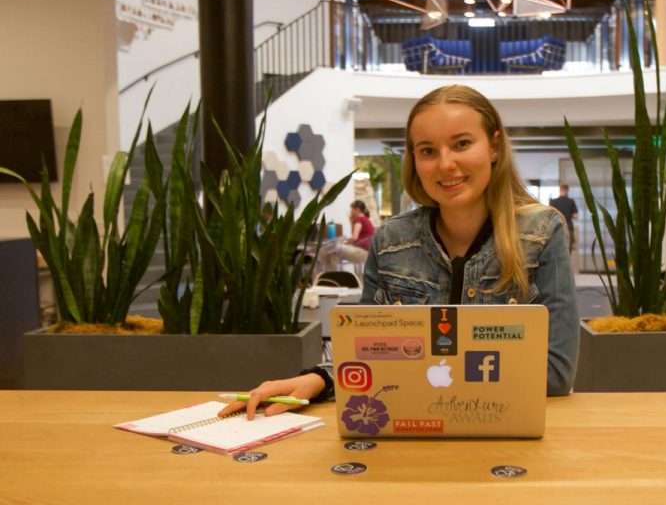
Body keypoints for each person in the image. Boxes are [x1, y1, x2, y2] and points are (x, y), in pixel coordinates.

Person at [220, 84, 579, 420]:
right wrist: (318, 380)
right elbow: (368, 353)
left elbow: (556, 374)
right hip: (409, 430)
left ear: (494, 146)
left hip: (507, 430)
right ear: (414, 158)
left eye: (462, 144)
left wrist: (412, 375)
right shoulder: (392, 239)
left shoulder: (542, 231)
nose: (445, 164)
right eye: (427, 151)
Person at [327, 200, 375, 267]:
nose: (351, 212)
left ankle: (332, 273)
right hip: (369, 254)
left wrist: (345, 243)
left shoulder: (359, 219)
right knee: (338, 249)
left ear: (357, 209)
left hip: (362, 253)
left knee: (333, 249)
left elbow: (354, 237)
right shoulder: (366, 219)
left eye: (352, 209)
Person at [549, 183, 578, 253]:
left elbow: (549, 216)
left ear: (560, 190)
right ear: (567, 190)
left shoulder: (553, 202)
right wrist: (568, 213)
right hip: (568, 228)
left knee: (557, 252)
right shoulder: (571, 201)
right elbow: (576, 216)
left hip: (556, 229)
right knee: (568, 252)